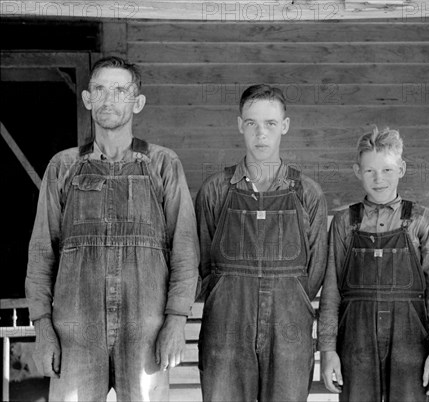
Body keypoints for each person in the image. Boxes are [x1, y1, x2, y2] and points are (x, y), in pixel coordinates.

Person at [25, 56, 199, 401]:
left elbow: (185, 249)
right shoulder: (63, 167)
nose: (109, 99)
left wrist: (176, 319)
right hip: (75, 331)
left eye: (121, 90)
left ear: (138, 102)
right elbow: (42, 252)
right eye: (100, 89)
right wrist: (42, 325)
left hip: (145, 331)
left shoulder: (163, 164)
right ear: (88, 99)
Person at [195, 84, 328, 401]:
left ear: (285, 125)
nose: (261, 133)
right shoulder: (215, 190)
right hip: (226, 329)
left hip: (288, 331)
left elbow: (316, 269)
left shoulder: (308, 194)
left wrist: (285, 297)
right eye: (252, 123)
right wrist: (234, 294)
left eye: (270, 123)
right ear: (240, 125)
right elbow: (202, 264)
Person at [318, 127, 429, 401]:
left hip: (409, 344)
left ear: (401, 169)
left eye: (387, 170)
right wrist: (328, 350)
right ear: (357, 171)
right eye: (370, 171)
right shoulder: (344, 222)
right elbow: (331, 291)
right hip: (356, 343)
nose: (379, 179)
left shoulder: (422, 220)